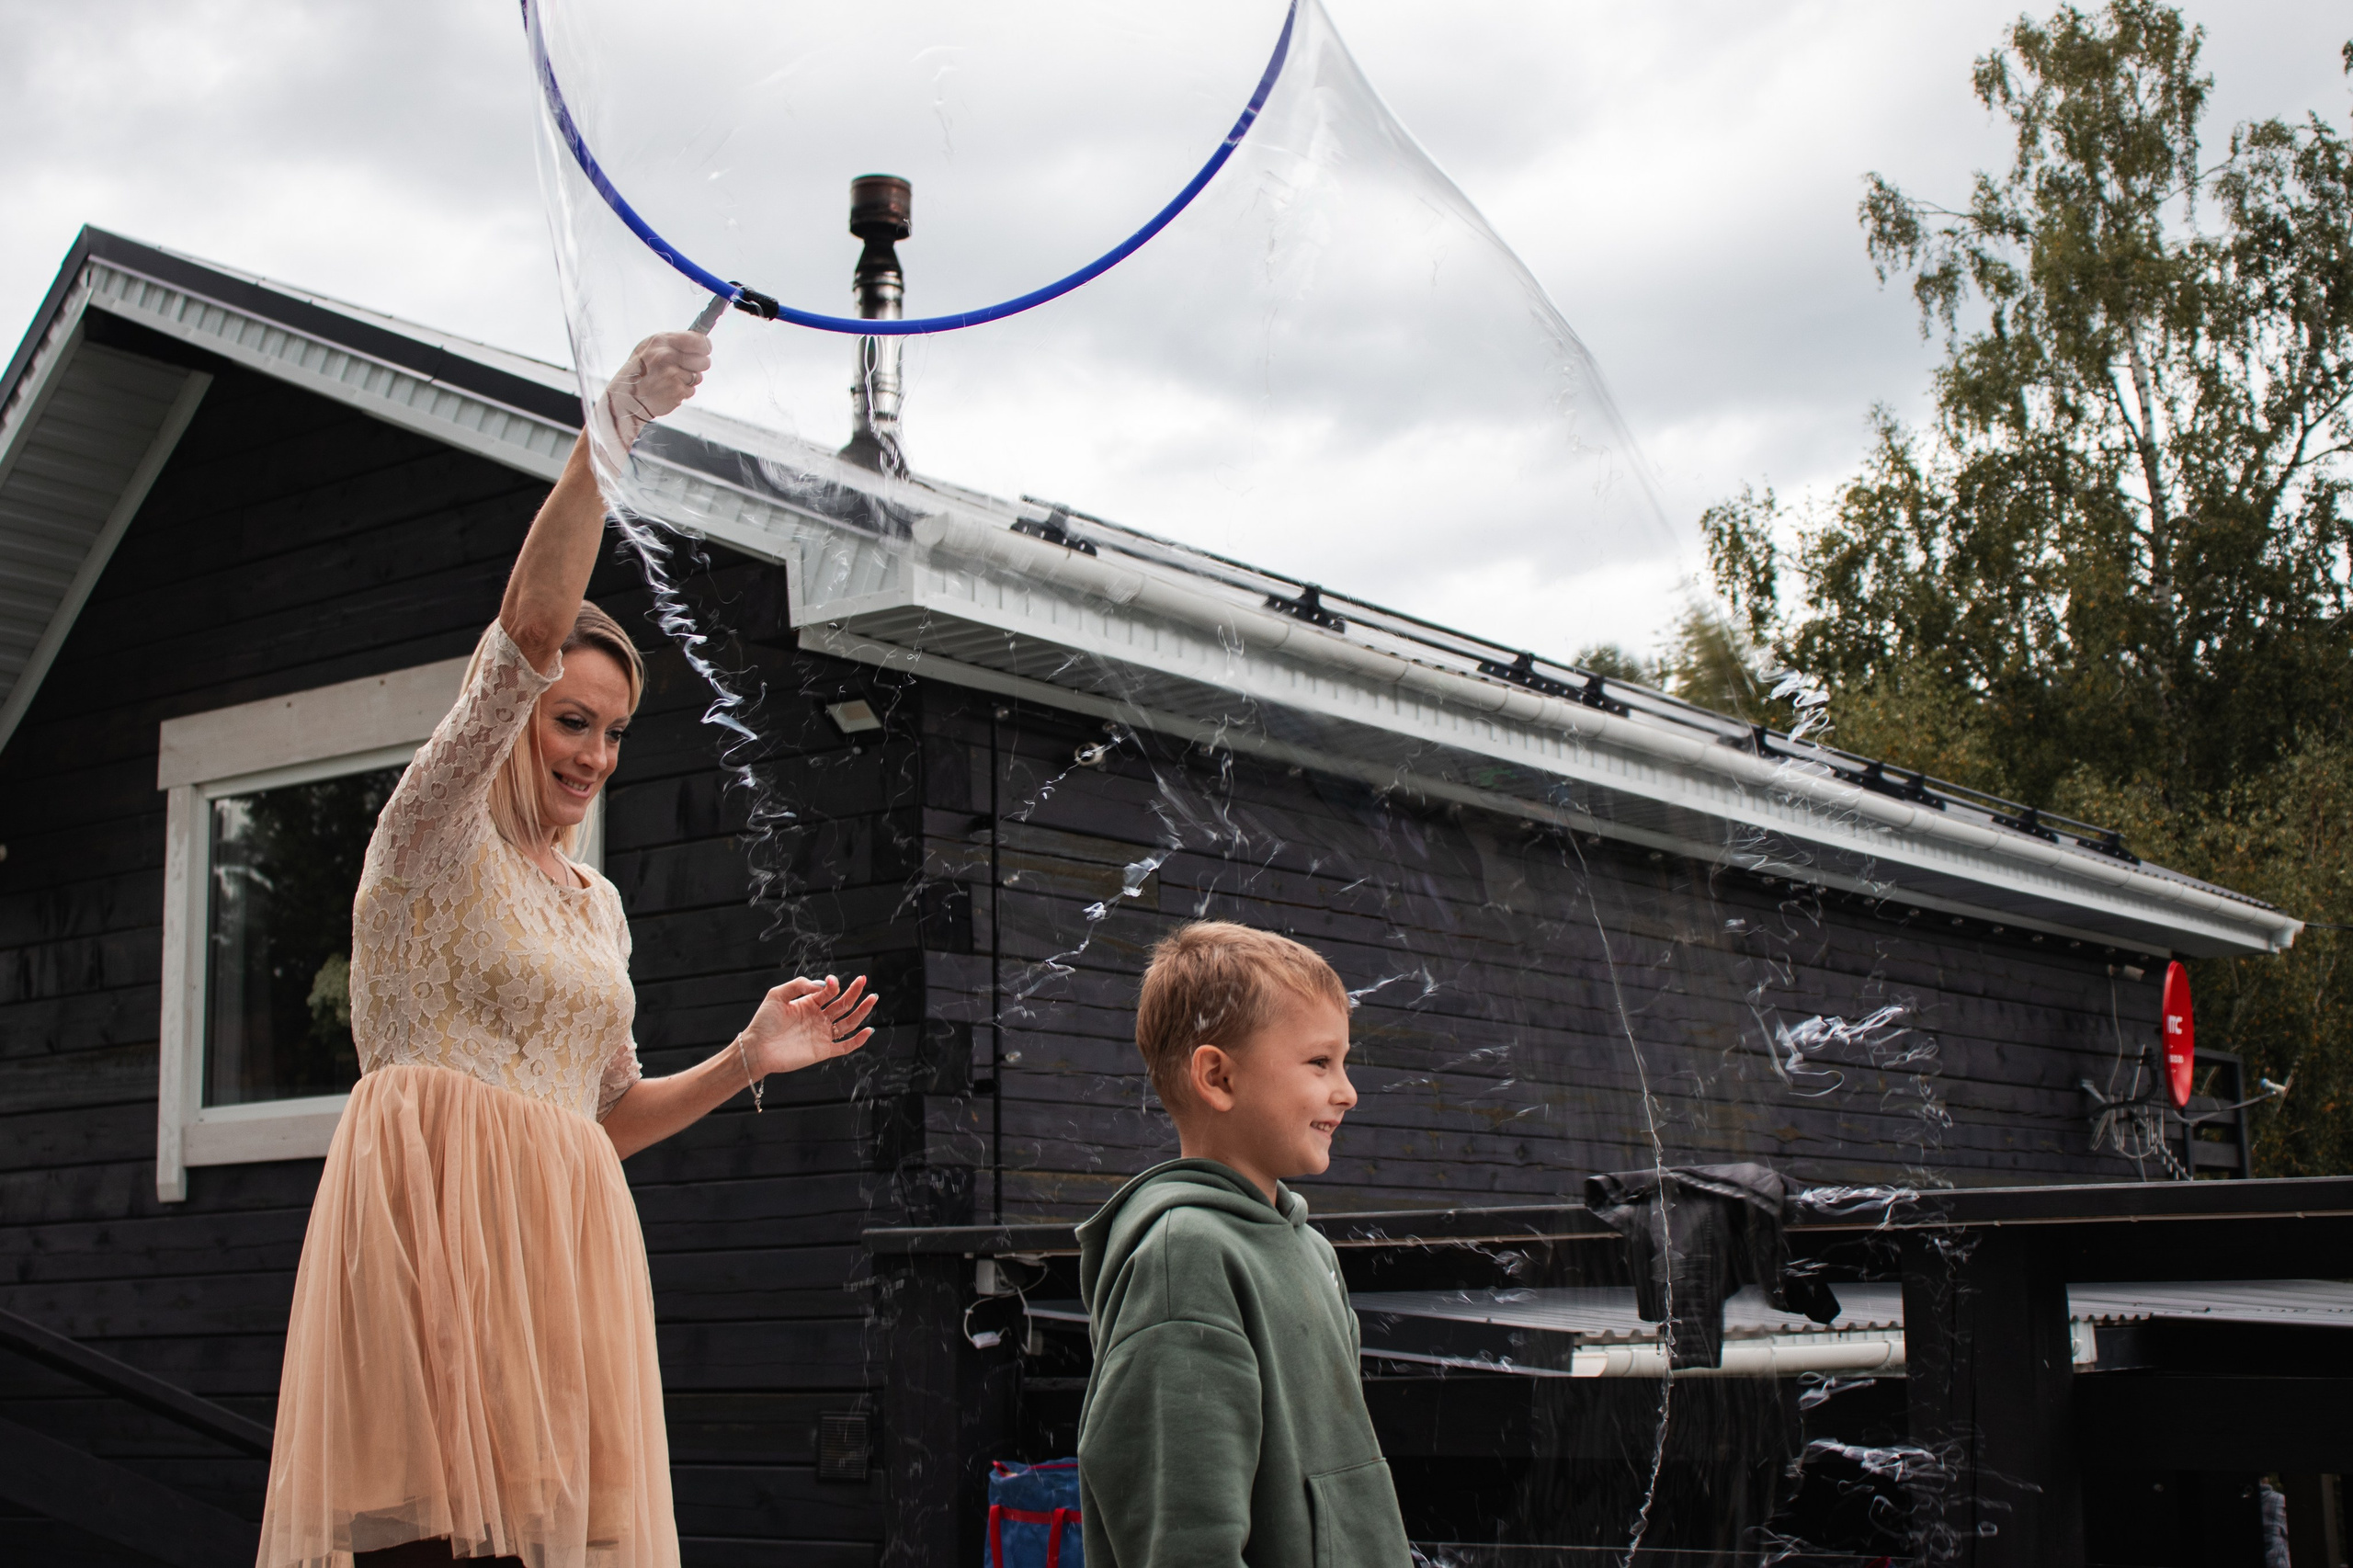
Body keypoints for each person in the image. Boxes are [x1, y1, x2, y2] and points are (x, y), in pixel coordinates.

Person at [254, 331, 878, 1568]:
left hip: (562, 1254)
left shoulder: (595, 903)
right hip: (434, 1227)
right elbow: (531, 624)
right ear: (520, 717)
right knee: (433, 1547)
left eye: (614, 731)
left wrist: (746, 1056)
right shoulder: (429, 828)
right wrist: (609, 440)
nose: (592, 750)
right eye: (571, 719)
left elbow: (602, 1111)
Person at [1074, 921, 1413, 1567]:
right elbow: (1182, 1538)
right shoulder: (1185, 1258)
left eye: (1344, 1063)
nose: (1347, 1091)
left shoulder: (1309, 1248)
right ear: (1218, 1078)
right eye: (1319, 1063)